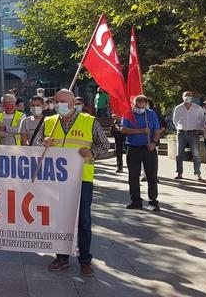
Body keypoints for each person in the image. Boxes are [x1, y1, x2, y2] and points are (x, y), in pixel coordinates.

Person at [43, 89, 110, 277]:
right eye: (57, 101)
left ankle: (85, 260)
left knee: (83, 221)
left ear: (73, 102)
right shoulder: (50, 122)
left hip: (82, 179)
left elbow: (105, 144)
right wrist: (44, 143)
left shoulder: (89, 121)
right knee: (59, 219)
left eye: (64, 101)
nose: (60, 104)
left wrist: (92, 153)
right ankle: (62, 257)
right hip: (56, 179)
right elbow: (39, 147)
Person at [121, 95, 161, 211]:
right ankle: (136, 201)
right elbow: (123, 129)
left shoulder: (151, 113)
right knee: (133, 176)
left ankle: (153, 201)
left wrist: (154, 142)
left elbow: (157, 130)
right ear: (134, 104)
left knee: (152, 176)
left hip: (149, 148)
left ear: (146, 104)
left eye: (143, 106)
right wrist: (141, 131)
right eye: (138, 106)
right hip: (133, 148)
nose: (140, 109)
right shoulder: (128, 113)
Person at [173, 91, 205, 180]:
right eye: (186, 95)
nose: (187, 97)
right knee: (179, 154)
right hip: (181, 133)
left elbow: (202, 119)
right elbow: (175, 120)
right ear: (182, 97)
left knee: (196, 154)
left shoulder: (198, 108)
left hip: (194, 133)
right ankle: (179, 173)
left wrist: (198, 128)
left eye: (189, 95)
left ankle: (197, 173)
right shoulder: (178, 108)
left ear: (192, 97)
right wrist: (179, 128)